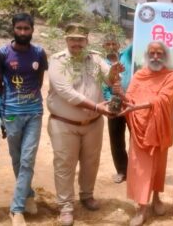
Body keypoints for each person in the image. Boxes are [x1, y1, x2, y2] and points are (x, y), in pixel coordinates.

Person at [47, 23, 117, 226]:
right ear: (66, 40)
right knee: (64, 165)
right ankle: (66, 206)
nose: (76, 43)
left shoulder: (95, 58)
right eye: (72, 39)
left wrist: (114, 73)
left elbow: (109, 80)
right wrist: (96, 106)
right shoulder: (57, 61)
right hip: (64, 124)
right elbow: (65, 92)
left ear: (87, 40)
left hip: (93, 124)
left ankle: (87, 195)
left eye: (80, 39)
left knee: (90, 162)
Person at [0, 13, 48, 226]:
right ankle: (29, 194)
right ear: (13, 29)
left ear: (32, 30)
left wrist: (29, 100)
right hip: (11, 114)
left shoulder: (39, 53)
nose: (23, 32)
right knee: (17, 160)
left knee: (27, 160)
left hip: (34, 112)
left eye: (27, 28)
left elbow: (39, 80)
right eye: (19, 28)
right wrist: (8, 108)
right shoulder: (1, 54)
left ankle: (16, 209)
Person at [114, 41, 173, 226]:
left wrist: (141, 105)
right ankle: (141, 207)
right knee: (140, 168)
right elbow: (130, 98)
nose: (155, 57)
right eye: (152, 53)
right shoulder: (139, 75)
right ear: (147, 55)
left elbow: (164, 99)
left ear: (165, 56)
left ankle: (156, 197)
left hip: (158, 127)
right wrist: (121, 94)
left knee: (158, 164)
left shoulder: (170, 76)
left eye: (159, 53)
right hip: (139, 127)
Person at [101, 34, 132, 183]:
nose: (111, 46)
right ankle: (121, 170)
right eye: (108, 44)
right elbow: (102, 85)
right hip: (113, 104)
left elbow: (138, 36)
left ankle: (136, 170)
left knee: (136, 138)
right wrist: (109, 99)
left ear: (119, 45)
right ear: (103, 47)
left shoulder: (127, 55)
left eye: (114, 43)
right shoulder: (101, 64)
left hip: (132, 103)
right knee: (116, 139)